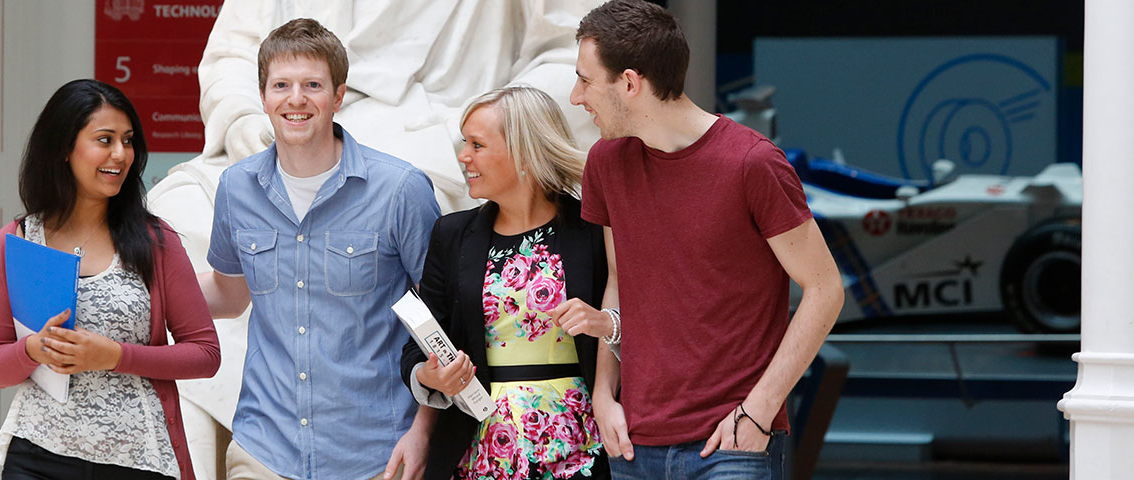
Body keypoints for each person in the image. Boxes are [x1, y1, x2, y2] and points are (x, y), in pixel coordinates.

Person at [568, 2, 844, 479]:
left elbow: (825, 290)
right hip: (634, 442)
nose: (576, 96)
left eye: (586, 80)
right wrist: (603, 394)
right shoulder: (606, 163)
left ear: (630, 83)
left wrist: (758, 411)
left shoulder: (753, 164)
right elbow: (620, 283)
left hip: (731, 444)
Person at [197, 19, 442, 480]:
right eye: (281, 85)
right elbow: (230, 296)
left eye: (312, 85)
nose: (296, 99)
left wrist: (423, 430)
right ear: (264, 96)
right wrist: (141, 290)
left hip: (375, 453)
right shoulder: (237, 187)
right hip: (264, 449)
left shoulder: (400, 190)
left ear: (338, 95)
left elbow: (438, 318)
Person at [0, 79, 220, 480]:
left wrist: (115, 356)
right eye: (104, 140)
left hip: (136, 459)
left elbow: (205, 354)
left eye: (127, 141)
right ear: (63, 149)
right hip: (38, 455)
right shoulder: (17, 241)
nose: (120, 154)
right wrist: (34, 349)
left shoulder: (156, 242)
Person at [399, 86, 612, 480]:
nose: (464, 156)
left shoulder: (595, 229)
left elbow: (640, 321)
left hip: (580, 443)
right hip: (477, 447)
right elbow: (419, 345)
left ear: (524, 151)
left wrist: (604, 322)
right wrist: (429, 377)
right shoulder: (451, 234)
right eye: (465, 143)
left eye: (477, 145)